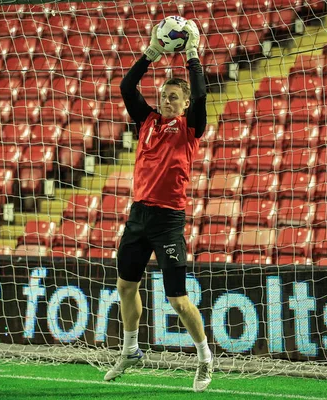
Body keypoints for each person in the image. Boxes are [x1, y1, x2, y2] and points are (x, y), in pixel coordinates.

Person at [103, 20, 212, 392]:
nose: (167, 100)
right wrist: (151, 52)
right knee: (125, 287)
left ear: (183, 105)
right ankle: (130, 350)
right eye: (164, 95)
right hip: (138, 216)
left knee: (178, 300)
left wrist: (192, 56)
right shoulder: (147, 120)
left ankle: (204, 359)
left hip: (168, 220)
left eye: (173, 98)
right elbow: (126, 87)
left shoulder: (190, 128)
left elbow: (200, 97)